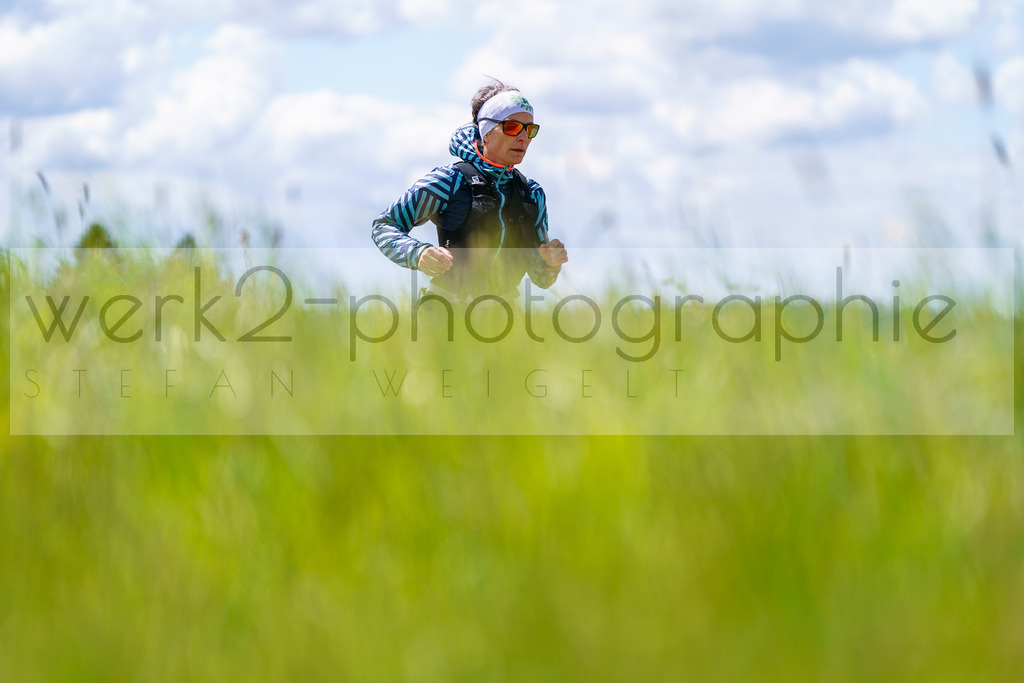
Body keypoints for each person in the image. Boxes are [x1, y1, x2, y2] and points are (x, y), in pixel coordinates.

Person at [371, 80, 568, 301]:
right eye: (512, 127)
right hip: (446, 311)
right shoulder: (450, 180)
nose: (523, 137)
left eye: (530, 129)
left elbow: (541, 279)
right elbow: (384, 226)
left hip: (505, 317)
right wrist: (418, 254)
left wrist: (550, 263)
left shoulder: (531, 193)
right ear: (486, 132)